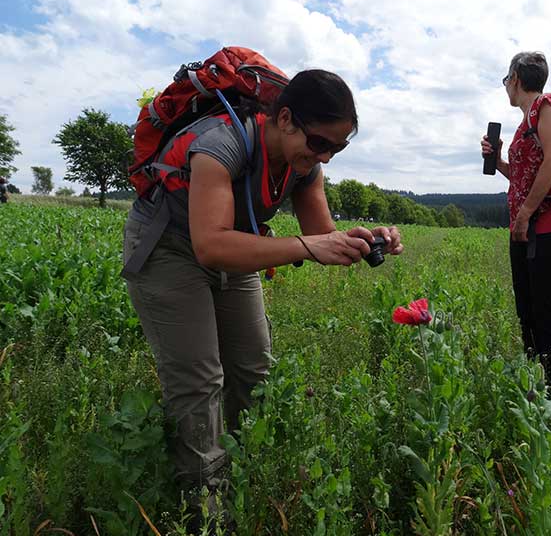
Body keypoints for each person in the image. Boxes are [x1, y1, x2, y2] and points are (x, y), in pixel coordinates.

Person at [122, 68, 403, 515]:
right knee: (199, 380)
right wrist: (308, 246)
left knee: (253, 369)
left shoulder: (303, 165)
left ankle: (248, 468)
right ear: (286, 118)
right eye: (321, 143)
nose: (327, 157)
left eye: (339, 147)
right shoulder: (220, 144)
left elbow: (319, 232)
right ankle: (205, 504)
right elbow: (211, 246)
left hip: (238, 243)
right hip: (169, 248)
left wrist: (363, 239)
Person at [481, 51, 551, 407]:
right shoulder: (525, 123)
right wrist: (501, 159)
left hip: (549, 230)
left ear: (517, 80)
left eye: (506, 80)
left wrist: (524, 213)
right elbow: (525, 178)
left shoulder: (547, 106)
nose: (506, 86)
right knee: (529, 314)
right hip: (525, 231)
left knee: (550, 319)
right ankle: (539, 393)